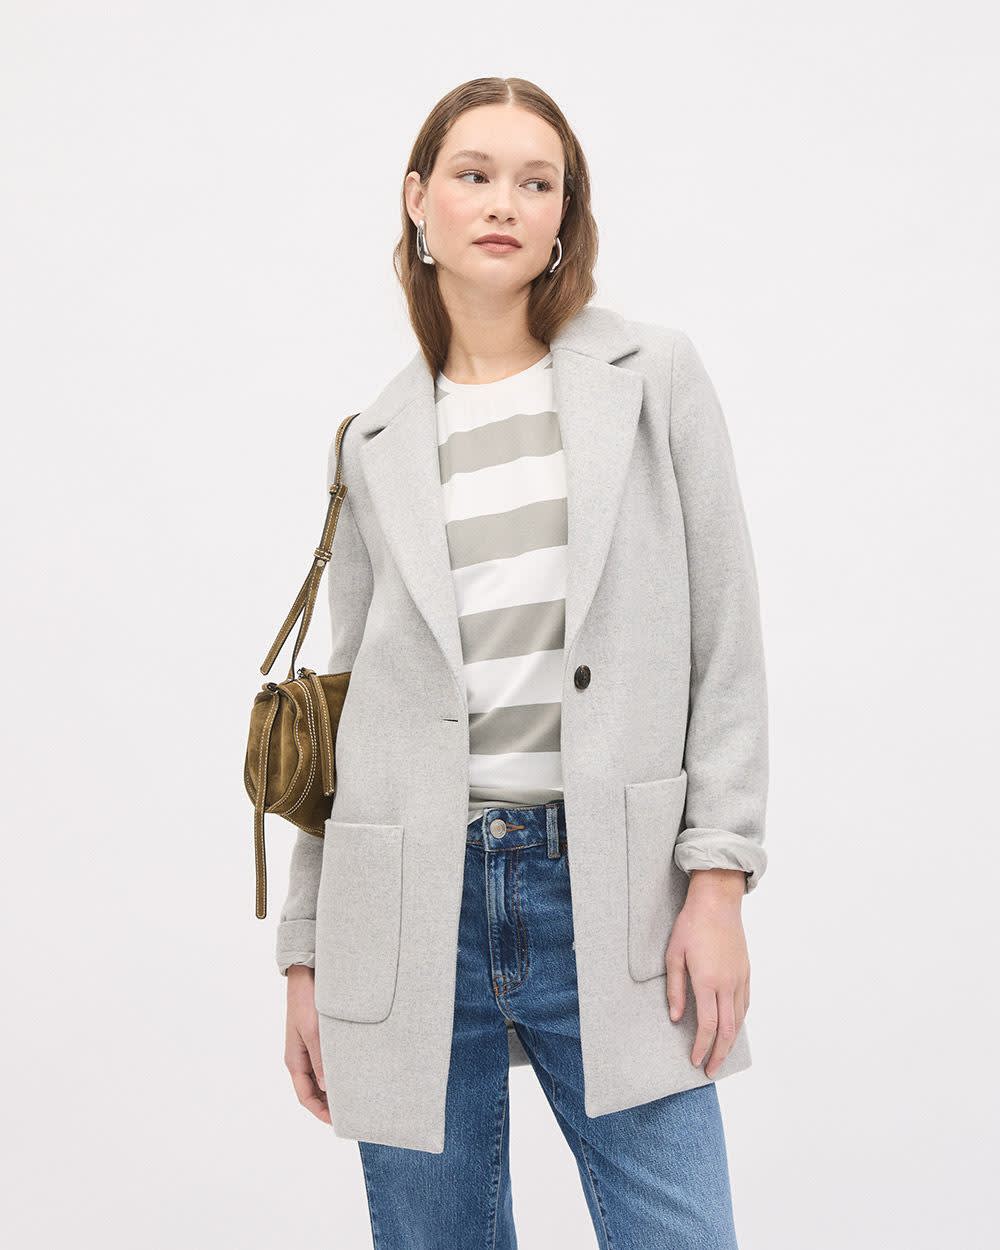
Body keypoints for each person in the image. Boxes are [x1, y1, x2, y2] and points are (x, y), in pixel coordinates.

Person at [277, 76, 768, 1249]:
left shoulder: (650, 376)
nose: (504, 201)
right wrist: (305, 953)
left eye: (536, 182)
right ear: (418, 199)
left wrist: (717, 879)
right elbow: (344, 715)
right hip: (407, 903)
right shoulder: (372, 440)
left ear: (563, 217)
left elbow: (727, 641)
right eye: (475, 173)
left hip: (614, 887)